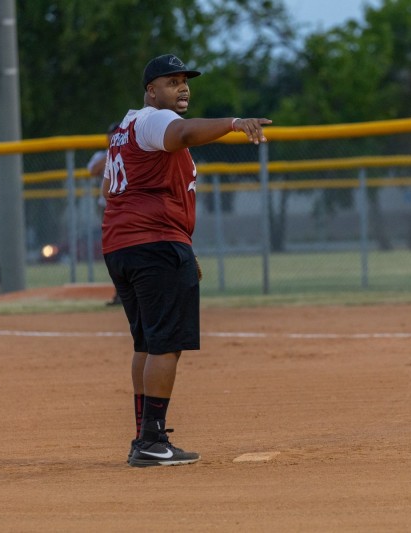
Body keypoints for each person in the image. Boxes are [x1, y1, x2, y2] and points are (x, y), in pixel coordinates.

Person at [102, 53, 271, 468]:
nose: (182, 88)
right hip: (155, 244)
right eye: (171, 81)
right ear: (151, 91)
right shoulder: (153, 120)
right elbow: (186, 133)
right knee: (166, 343)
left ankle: (145, 435)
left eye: (184, 81)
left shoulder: (123, 129)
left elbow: (109, 188)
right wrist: (233, 123)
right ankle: (152, 441)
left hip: (122, 245)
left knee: (146, 341)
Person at [87, 122, 122, 306]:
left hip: (128, 208)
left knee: (129, 249)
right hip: (107, 208)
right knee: (113, 251)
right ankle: (120, 292)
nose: (114, 136)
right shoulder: (103, 155)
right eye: (111, 134)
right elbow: (93, 171)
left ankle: (128, 292)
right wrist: (114, 150)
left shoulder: (132, 152)